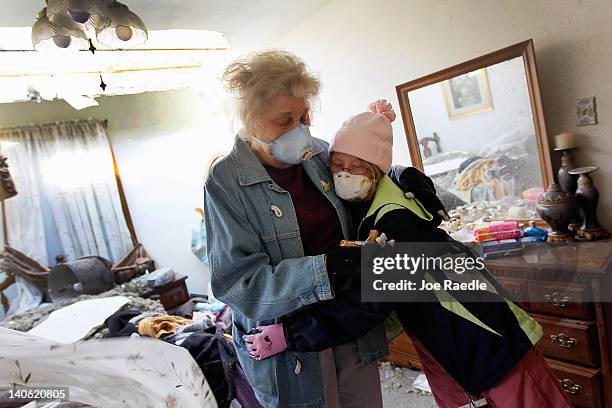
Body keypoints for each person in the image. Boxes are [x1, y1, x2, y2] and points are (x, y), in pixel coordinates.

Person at [244, 100, 571, 408]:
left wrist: (291, 334)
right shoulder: (375, 203)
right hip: (444, 339)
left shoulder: (396, 221)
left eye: (355, 167)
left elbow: (368, 302)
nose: (343, 174)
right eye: (337, 165)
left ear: (375, 169)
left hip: (485, 338)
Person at [203, 50, 389, 408]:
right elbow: (237, 283)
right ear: (250, 121)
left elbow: (368, 192)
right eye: (284, 121)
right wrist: (326, 268)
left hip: (346, 317)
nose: (300, 129)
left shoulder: (321, 154)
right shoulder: (225, 181)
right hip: (287, 337)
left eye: (304, 116)